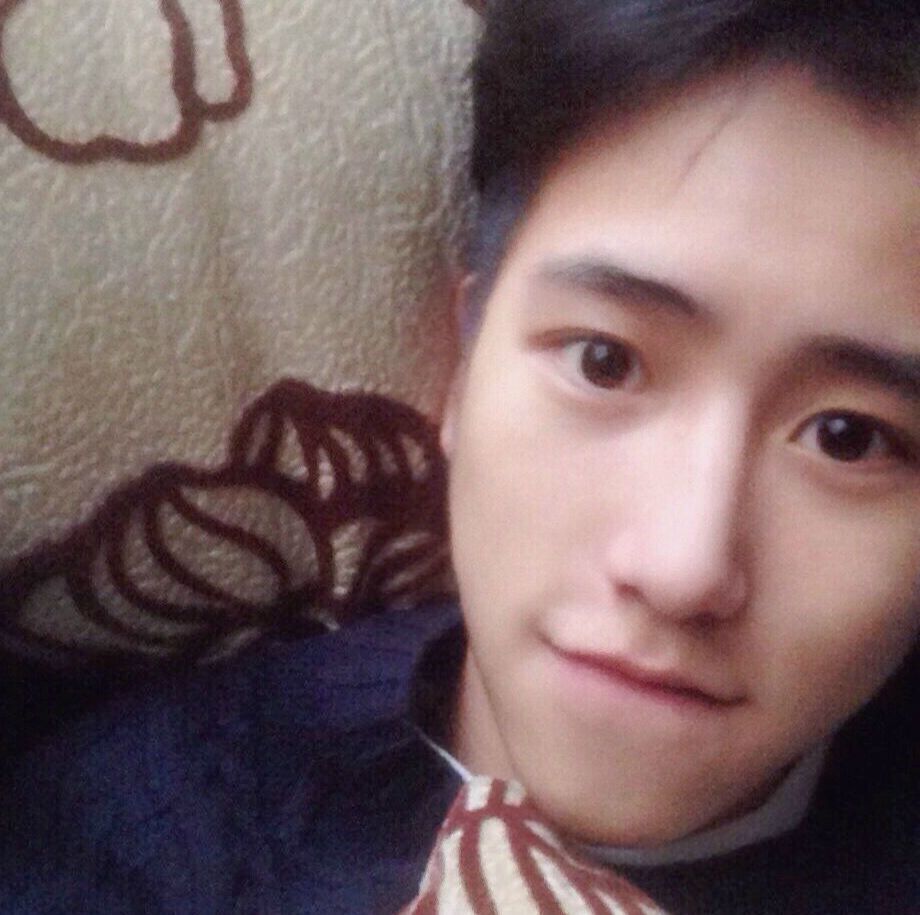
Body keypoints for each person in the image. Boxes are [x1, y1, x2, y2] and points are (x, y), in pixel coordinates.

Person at [2, 1, 918, 912]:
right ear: (463, 371)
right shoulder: (142, 832)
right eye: (604, 362)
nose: (683, 569)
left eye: (851, 437)